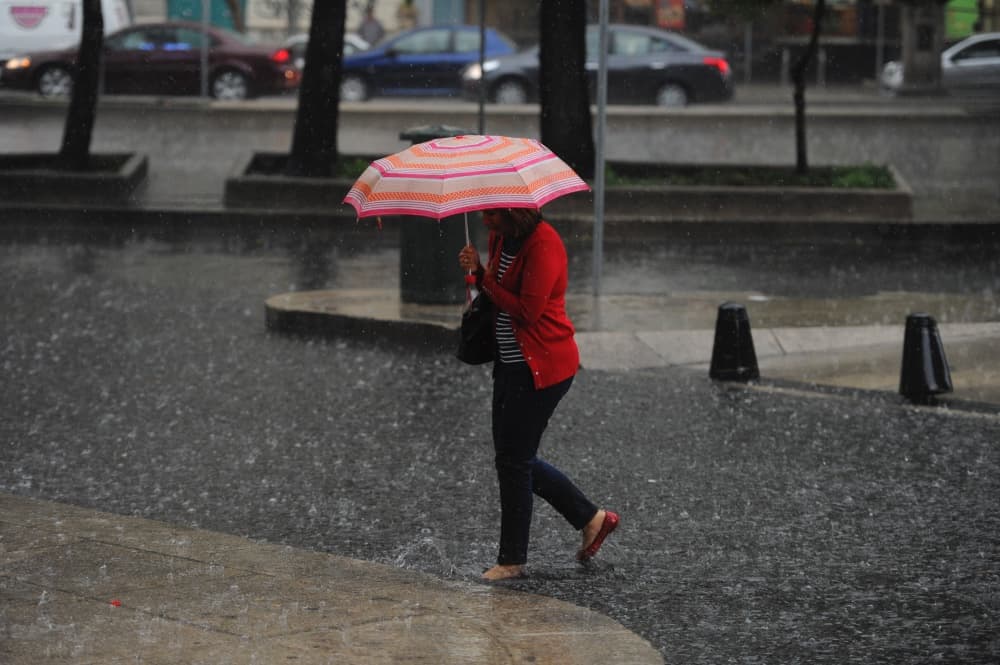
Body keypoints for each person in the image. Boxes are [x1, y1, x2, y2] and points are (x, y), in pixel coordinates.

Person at [458, 207, 619, 581]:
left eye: (492, 215)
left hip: (542, 366)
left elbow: (528, 311)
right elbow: (496, 291)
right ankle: (592, 519)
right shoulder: (503, 237)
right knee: (513, 458)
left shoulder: (544, 244)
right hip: (511, 364)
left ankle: (512, 560)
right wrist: (477, 272)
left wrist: (484, 278)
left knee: (514, 461)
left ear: (513, 213)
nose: (486, 222)